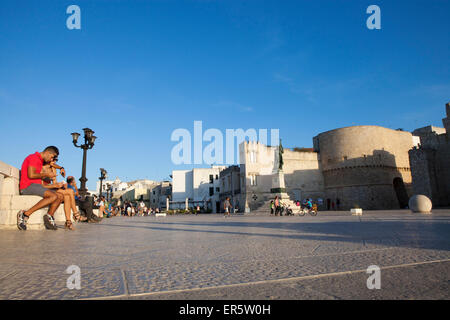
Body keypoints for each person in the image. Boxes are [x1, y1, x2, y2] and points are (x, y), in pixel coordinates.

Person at [17, 146, 64, 231]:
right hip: (27, 186)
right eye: (52, 157)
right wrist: (47, 175)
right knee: (53, 196)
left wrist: (61, 168)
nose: (51, 160)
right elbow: (31, 175)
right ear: (48, 153)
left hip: (37, 186)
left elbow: (53, 165)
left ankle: (49, 216)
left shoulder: (40, 160)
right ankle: (25, 214)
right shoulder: (34, 158)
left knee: (60, 196)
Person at [40, 160, 85, 230]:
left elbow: (54, 183)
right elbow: (40, 185)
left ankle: (68, 221)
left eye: (55, 160)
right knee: (70, 191)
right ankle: (76, 215)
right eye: (53, 160)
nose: (54, 162)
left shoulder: (53, 169)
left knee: (67, 196)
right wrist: (60, 168)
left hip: (52, 189)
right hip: (44, 188)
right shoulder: (42, 168)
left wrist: (59, 185)